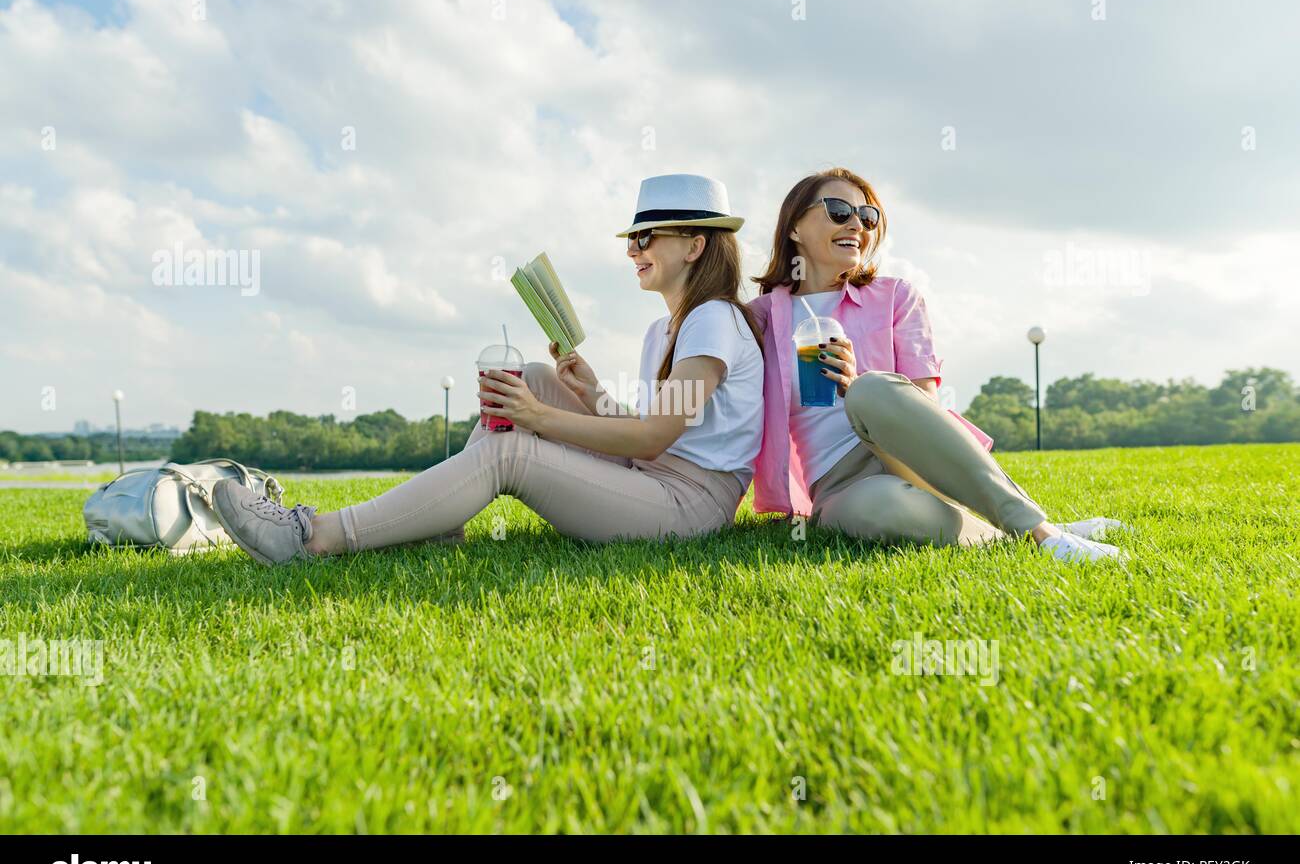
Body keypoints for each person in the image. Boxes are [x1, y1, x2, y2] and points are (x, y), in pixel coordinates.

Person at [210, 174, 764, 565]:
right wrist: (590, 393)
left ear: (694, 245)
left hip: (690, 506)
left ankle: (314, 536)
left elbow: (653, 438)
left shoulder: (712, 319)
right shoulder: (665, 328)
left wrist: (538, 418)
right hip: (659, 474)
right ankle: (438, 521)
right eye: (631, 240)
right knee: (534, 377)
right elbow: (656, 435)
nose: (632, 252)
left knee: (509, 449)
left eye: (646, 239)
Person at [748, 167, 1128, 562]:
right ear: (794, 228)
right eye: (840, 210)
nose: (857, 225)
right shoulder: (761, 318)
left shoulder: (895, 296)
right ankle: (1024, 534)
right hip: (838, 482)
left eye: (868, 216)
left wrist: (854, 381)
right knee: (878, 510)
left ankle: (1043, 533)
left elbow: (924, 400)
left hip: (907, 455)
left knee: (870, 389)